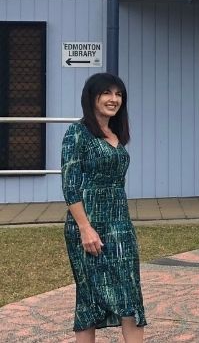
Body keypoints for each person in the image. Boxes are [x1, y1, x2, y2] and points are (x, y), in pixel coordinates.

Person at [61, 72, 145, 342]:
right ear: (91, 97)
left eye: (118, 94)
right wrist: (85, 228)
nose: (113, 99)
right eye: (107, 93)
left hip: (120, 223)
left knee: (130, 294)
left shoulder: (115, 132)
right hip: (88, 224)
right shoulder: (77, 132)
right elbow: (70, 186)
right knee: (89, 298)